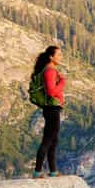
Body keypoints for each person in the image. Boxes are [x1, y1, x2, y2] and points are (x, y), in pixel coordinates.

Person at [27, 43, 66, 176]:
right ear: (51, 57)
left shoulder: (48, 69)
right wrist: (62, 83)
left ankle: (53, 171)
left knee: (53, 140)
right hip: (52, 109)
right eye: (59, 54)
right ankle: (37, 171)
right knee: (48, 140)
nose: (61, 57)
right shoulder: (50, 71)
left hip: (51, 109)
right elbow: (51, 92)